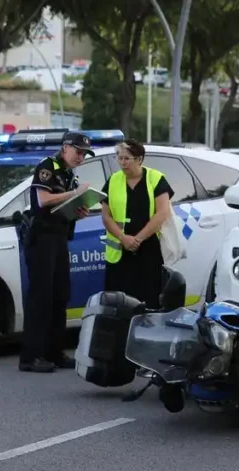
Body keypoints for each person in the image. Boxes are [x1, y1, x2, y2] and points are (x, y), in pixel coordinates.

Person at [19, 132, 93, 373]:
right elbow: (42, 200)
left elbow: (61, 207)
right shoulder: (47, 167)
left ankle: (54, 352)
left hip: (60, 237)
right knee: (41, 297)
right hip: (41, 238)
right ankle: (31, 356)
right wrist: (74, 194)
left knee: (60, 295)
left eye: (84, 154)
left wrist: (77, 210)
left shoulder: (70, 175)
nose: (81, 157)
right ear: (65, 148)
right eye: (78, 152)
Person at [100, 139, 175, 308]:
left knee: (148, 298)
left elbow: (162, 213)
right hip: (119, 251)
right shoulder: (113, 180)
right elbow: (106, 216)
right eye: (119, 158)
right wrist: (124, 238)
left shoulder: (155, 178)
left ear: (139, 159)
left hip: (148, 249)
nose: (122, 163)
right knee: (118, 301)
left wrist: (137, 239)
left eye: (127, 158)